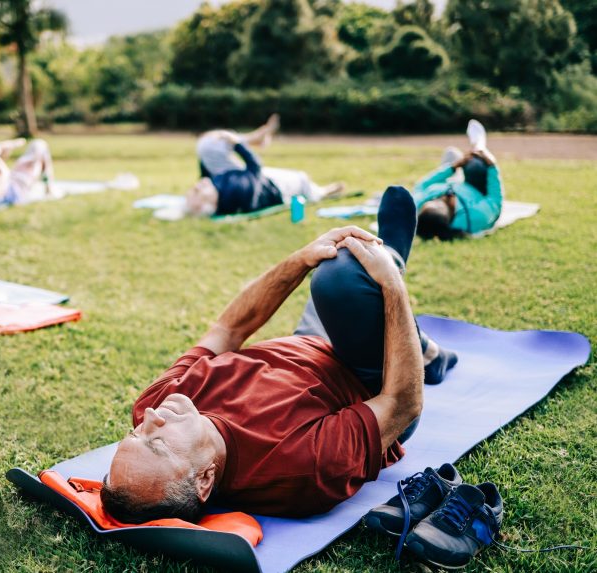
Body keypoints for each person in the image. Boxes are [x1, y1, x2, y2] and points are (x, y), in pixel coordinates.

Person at [101, 186, 459, 523]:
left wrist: (302, 258)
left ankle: (424, 348)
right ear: (205, 479)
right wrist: (392, 282)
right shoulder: (305, 467)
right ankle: (395, 265)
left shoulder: (162, 404)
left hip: (304, 344)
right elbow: (402, 402)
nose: (149, 417)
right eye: (158, 443)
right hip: (368, 380)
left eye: (134, 434)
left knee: (328, 264)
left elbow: (228, 330)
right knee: (340, 278)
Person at [186, 114, 345, 217]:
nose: (199, 184)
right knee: (302, 180)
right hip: (275, 187)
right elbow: (255, 167)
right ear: (211, 202)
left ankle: (258, 137)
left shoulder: (219, 185)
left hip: (261, 181)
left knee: (210, 143)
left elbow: (204, 177)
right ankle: (324, 192)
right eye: (199, 191)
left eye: (194, 188)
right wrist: (238, 144)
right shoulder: (236, 188)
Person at [413, 123, 504, 239]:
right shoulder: (476, 216)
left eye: (433, 198)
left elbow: (421, 185)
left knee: (451, 153)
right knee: (475, 165)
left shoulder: (420, 207)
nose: (439, 196)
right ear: (452, 212)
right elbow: (495, 200)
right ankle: (478, 145)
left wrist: (453, 167)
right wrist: (492, 166)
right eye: (444, 198)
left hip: (454, 182)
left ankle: (474, 150)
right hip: (474, 187)